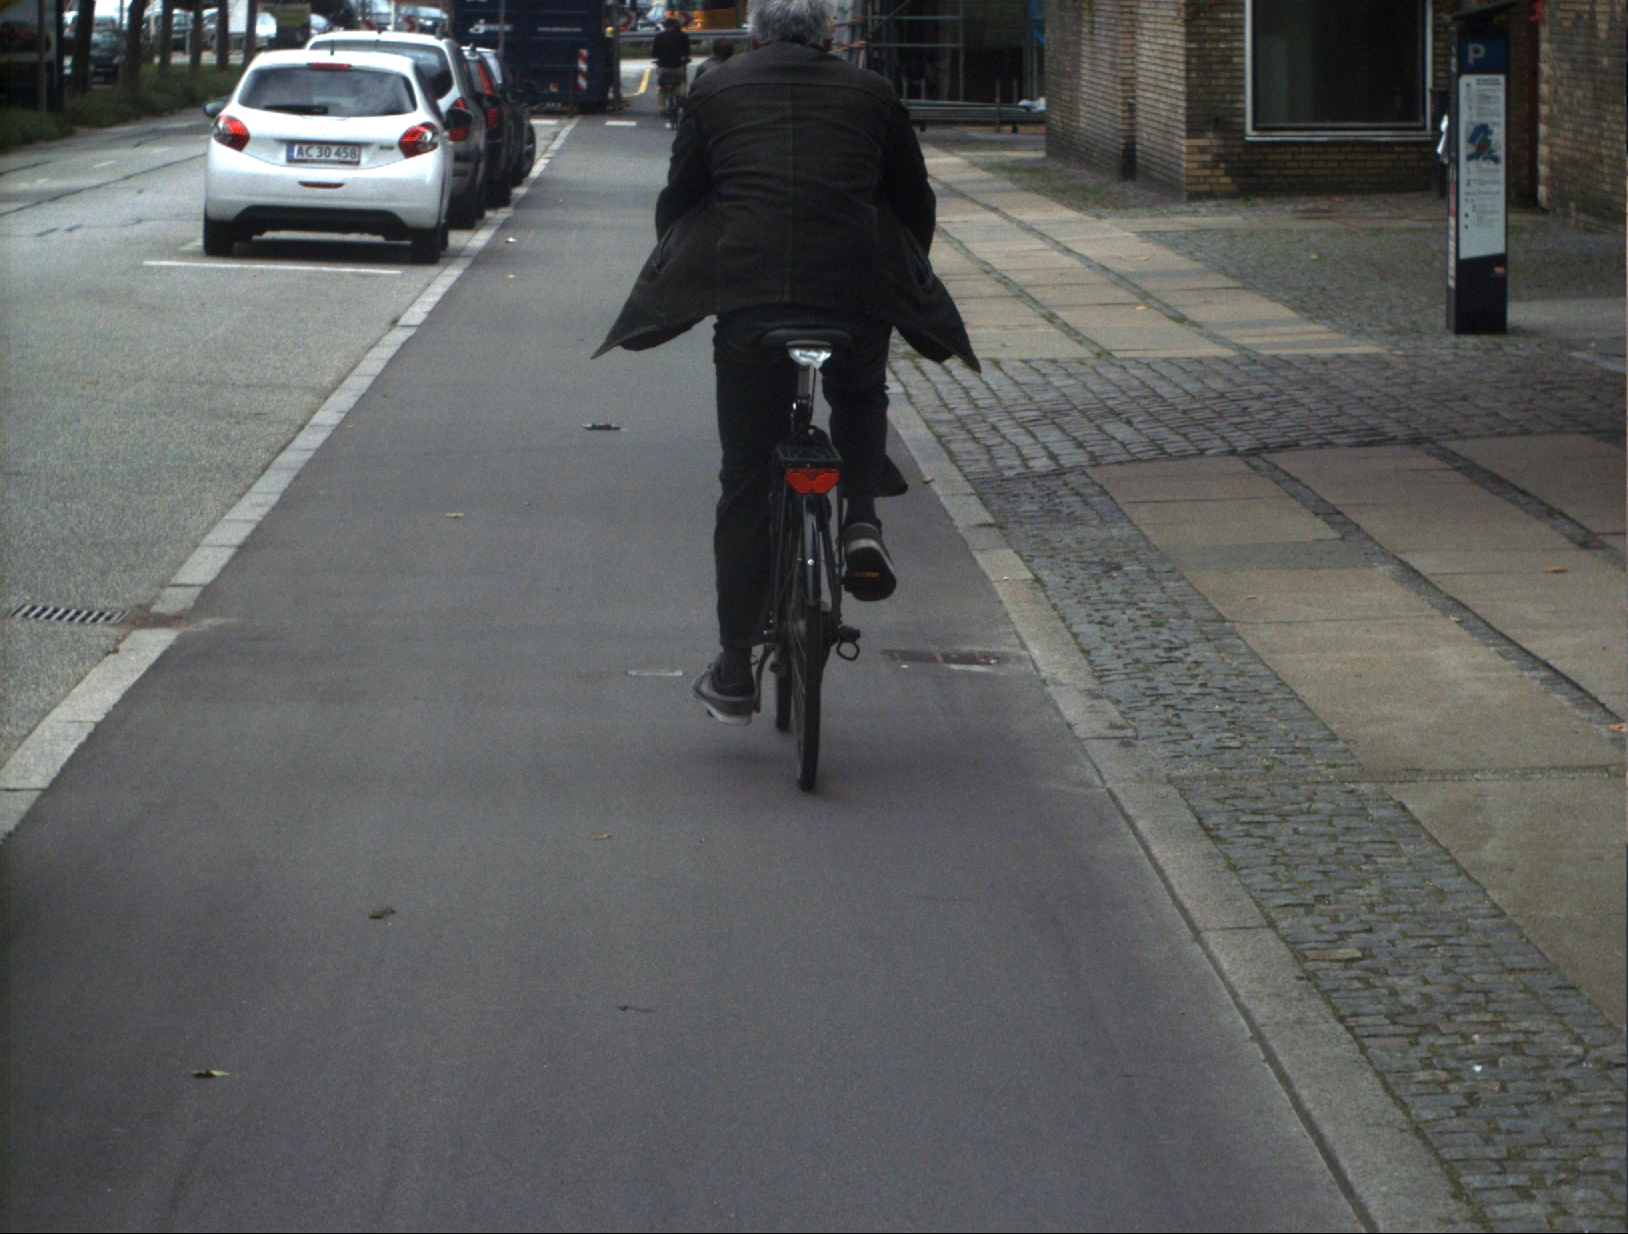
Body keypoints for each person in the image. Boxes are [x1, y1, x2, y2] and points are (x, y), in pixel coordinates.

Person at [597, 0, 978, 725]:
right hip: (854, 289)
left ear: (753, 37)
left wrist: (680, 260)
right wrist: (907, 272)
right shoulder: (874, 93)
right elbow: (913, 201)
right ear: (828, 36)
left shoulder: (715, 90)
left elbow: (681, 198)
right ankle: (860, 520)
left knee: (745, 481)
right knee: (860, 392)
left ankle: (734, 667)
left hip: (751, 298)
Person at [651, 14, 692, 125]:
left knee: (661, 88)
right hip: (677, 65)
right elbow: (687, 52)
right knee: (681, 82)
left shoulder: (659, 37)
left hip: (663, 66)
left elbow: (654, 53)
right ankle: (681, 97)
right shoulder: (683, 36)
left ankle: (662, 108)